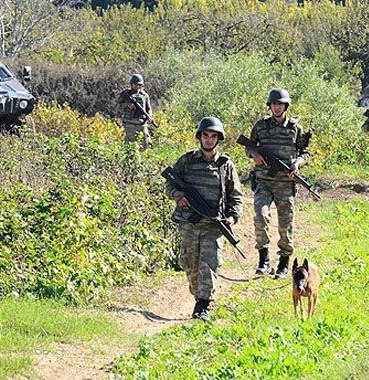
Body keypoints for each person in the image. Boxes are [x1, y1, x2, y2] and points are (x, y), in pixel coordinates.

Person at [164, 117, 243, 321]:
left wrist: (232, 218)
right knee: (189, 264)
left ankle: (203, 305)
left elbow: (236, 195)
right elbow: (170, 184)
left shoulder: (225, 165)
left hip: (213, 225)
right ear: (200, 137)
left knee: (209, 264)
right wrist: (177, 196)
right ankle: (198, 293)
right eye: (205, 135)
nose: (209, 140)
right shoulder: (187, 161)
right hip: (189, 222)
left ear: (218, 139)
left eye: (213, 136)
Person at [245, 88, 310, 280]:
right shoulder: (260, 126)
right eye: (274, 104)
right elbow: (249, 145)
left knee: (285, 224)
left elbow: (305, 152)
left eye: (280, 104)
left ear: (286, 106)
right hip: (263, 181)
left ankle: (283, 264)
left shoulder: (295, 128)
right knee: (261, 215)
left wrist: (297, 163)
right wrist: (254, 154)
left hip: (285, 183)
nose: (277, 107)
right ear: (270, 105)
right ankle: (263, 259)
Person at [117, 74, 153, 150]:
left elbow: (148, 108)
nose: (137, 87)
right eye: (135, 85)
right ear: (131, 84)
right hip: (130, 125)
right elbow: (117, 107)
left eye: (139, 85)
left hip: (142, 125)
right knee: (129, 148)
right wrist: (127, 105)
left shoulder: (144, 96)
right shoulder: (126, 95)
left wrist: (149, 116)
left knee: (145, 146)